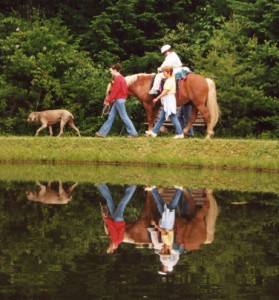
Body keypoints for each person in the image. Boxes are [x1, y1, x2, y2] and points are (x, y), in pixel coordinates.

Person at [95, 63, 138, 138]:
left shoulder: (117, 78)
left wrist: (108, 100)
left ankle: (133, 133)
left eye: (111, 71)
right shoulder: (122, 78)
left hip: (119, 100)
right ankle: (102, 133)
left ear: (115, 70)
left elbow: (114, 91)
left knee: (124, 117)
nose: (111, 72)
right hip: (119, 100)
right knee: (111, 116)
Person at [145, 66, 184, 139]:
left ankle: (180, 133)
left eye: (164, 72)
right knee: (161, 117)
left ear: (169, 72)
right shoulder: (170, 79)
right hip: (167, 101)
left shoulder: (169, 80)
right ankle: (154, 132)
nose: (163, 74)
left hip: (169, 100)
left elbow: (165, 91)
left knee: (173, 117)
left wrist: (157, 98)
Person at [97, 183, 137, 253]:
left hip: (117, 220)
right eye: (108, 248)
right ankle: (132, 187)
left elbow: (120, 229)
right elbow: (112, 228)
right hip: (117, 219)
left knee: (109, 201)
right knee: (122, 203)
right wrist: (106, 219)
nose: (108, 246)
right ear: (112, 249)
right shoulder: (115, 240)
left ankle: (101, 185)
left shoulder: (119, 241)